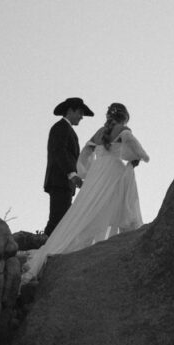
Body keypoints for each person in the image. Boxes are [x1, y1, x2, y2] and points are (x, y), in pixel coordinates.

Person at [25, 102, 149, 283]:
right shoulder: (124, 130)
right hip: (112, 171)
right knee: (110, 206)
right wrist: (140, 158)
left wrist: (86, 171)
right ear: (123, 117)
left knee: (84, 209)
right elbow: (136, 149)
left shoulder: (99, 132)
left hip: (97, 173)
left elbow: (85, 153)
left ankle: (60, 243)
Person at [43, 96, 95, 236]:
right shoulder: (60, 127)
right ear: (71, 111)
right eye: (80, 113)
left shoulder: (67, 129)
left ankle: (45, 244)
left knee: (62, 218)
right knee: (58, 220)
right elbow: (59, 151)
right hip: (60, 181)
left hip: (63, 182)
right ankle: (42, 246)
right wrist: (72, 175)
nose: (81, 117)